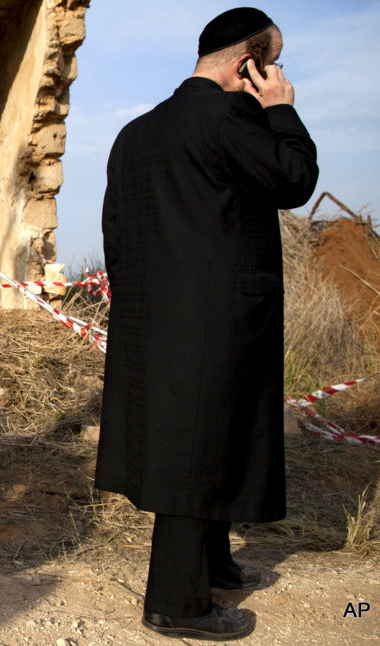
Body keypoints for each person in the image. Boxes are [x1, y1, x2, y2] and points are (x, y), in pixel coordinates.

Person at [97, 7, 318, 641]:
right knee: (196, 448)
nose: (277, 73)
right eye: (272, 61)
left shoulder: (135, 132)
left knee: (206, 436)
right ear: (247, 63)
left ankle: (215, 564)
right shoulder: (229, 116)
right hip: (216, 315)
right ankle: (177, 603)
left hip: (151, 316)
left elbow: (118, 229)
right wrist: (281, 110)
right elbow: (295, 179)